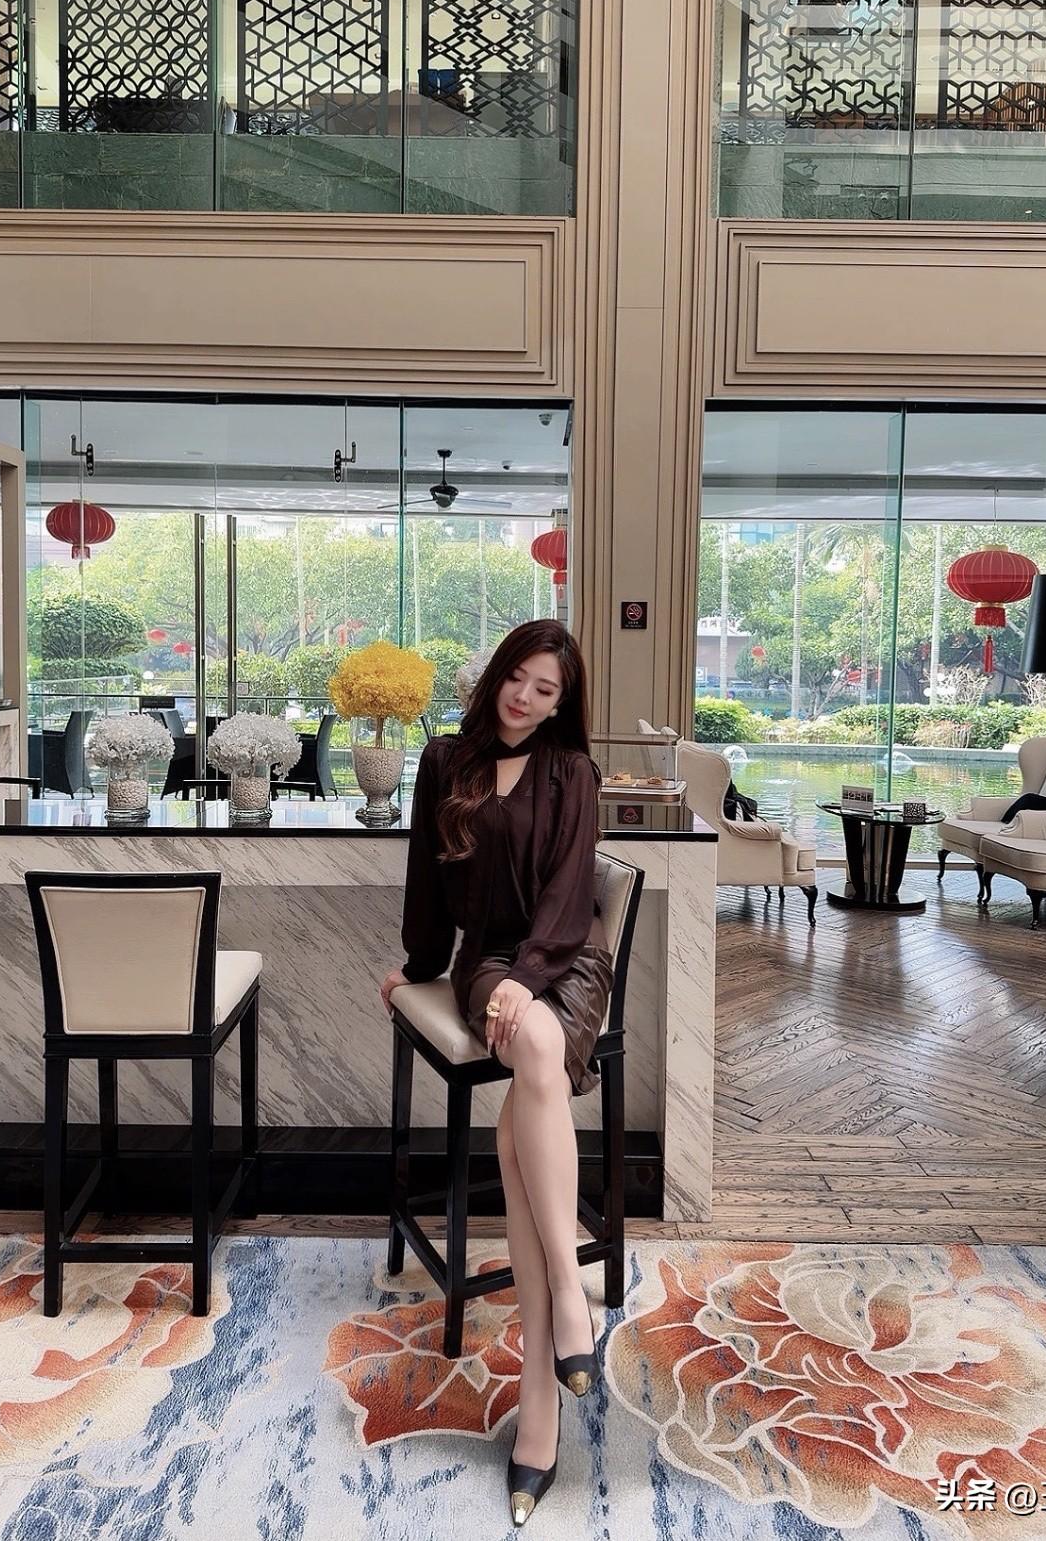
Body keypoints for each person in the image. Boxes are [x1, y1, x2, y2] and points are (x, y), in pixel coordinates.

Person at [379, 619, 613, 1528]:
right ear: (497, 676)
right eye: (518, 676)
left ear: (561, 704)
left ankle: (541, 1412)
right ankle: (568, 1297)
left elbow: (569, 896)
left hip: (567, 961)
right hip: (487, 965)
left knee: (536, 1069)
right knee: (535, 1069)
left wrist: (529, 979)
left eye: (545, 689)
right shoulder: (446, 759)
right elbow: (427, 882)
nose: (525, 696)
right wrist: (417, 967)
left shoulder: (573, 772)